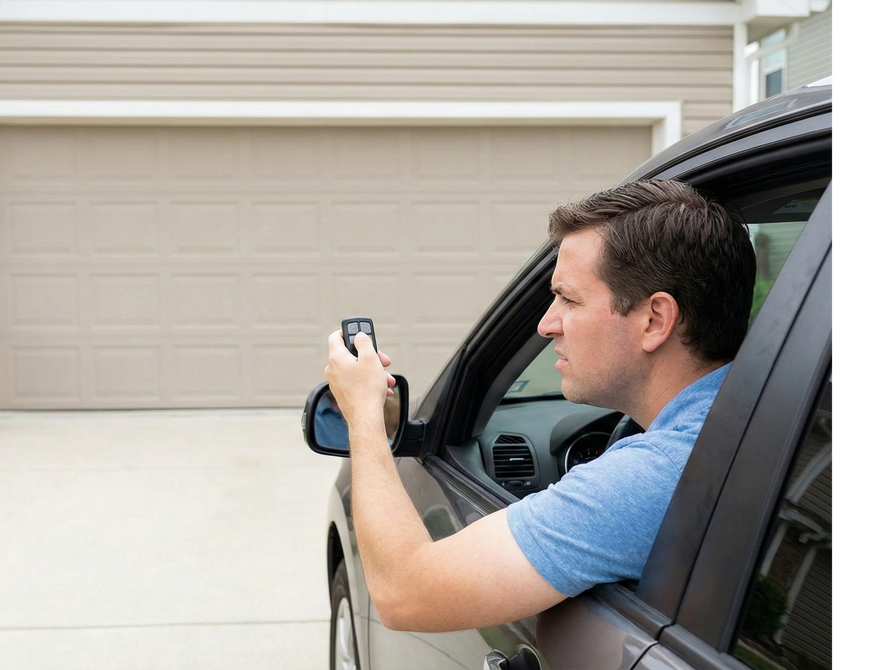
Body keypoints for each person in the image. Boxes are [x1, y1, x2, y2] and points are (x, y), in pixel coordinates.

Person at [323, 179, 757, 632]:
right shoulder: (744, 423)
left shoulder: (658, 474)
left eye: (568, 298)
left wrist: (363, 413)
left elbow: (404, 593)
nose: (546, 324)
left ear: (654, 320)